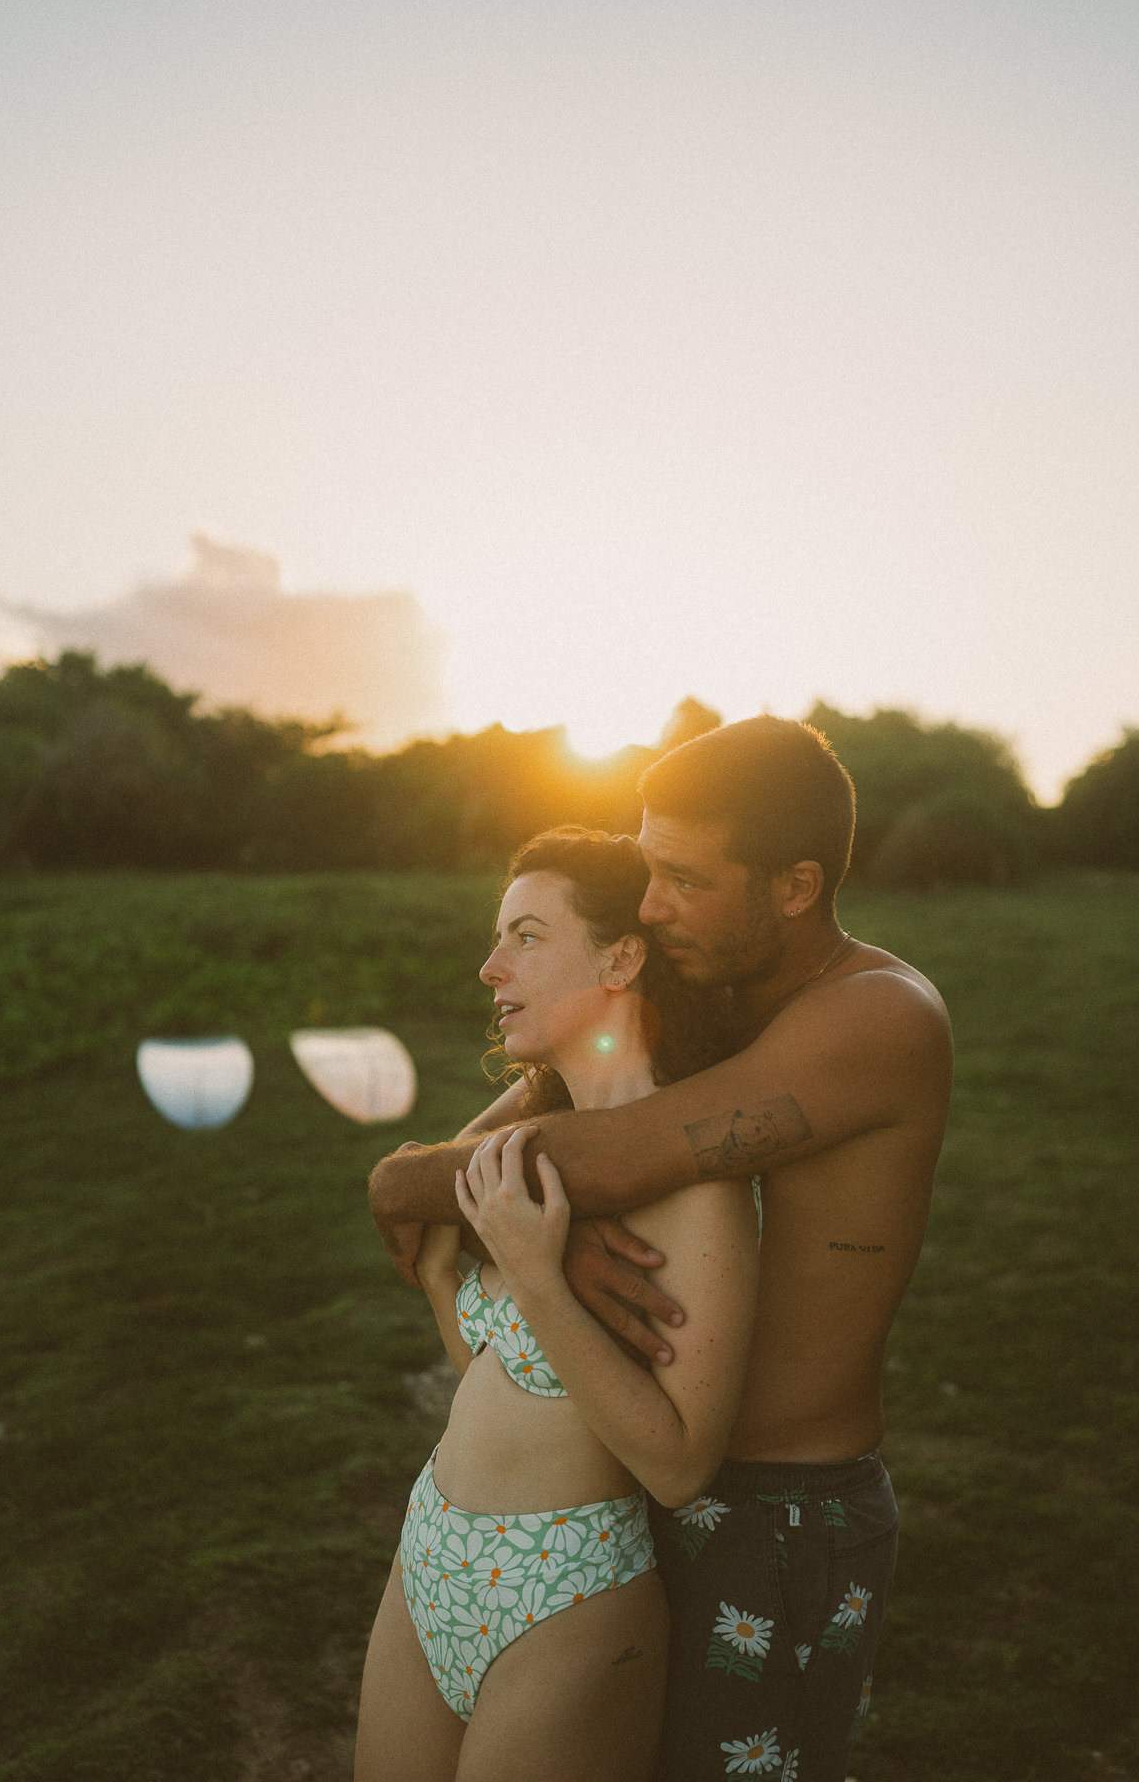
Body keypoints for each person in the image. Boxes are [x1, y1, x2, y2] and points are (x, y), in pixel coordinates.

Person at [369, 716, 954, 1782]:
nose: (649, 905)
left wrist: (399, 1179)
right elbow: (518, 1140)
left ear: (795, 884)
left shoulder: (876, 1017)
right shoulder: (711, 990)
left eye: (682, 879)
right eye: (647, 873)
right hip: (626, 1485)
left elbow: (602, 1155)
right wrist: (501, 1185)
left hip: (777, 1511)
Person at [355, 829, 760, 1782]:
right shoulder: (533, 1142)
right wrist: (479, 1266)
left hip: (567, 1592)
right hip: (432, 1557)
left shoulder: (699, 1194)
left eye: (528, 936)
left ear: (624, 956)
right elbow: (468, 1331)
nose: (491, 965)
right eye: (499, 937)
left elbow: (677, 1465)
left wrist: (536, 1273)